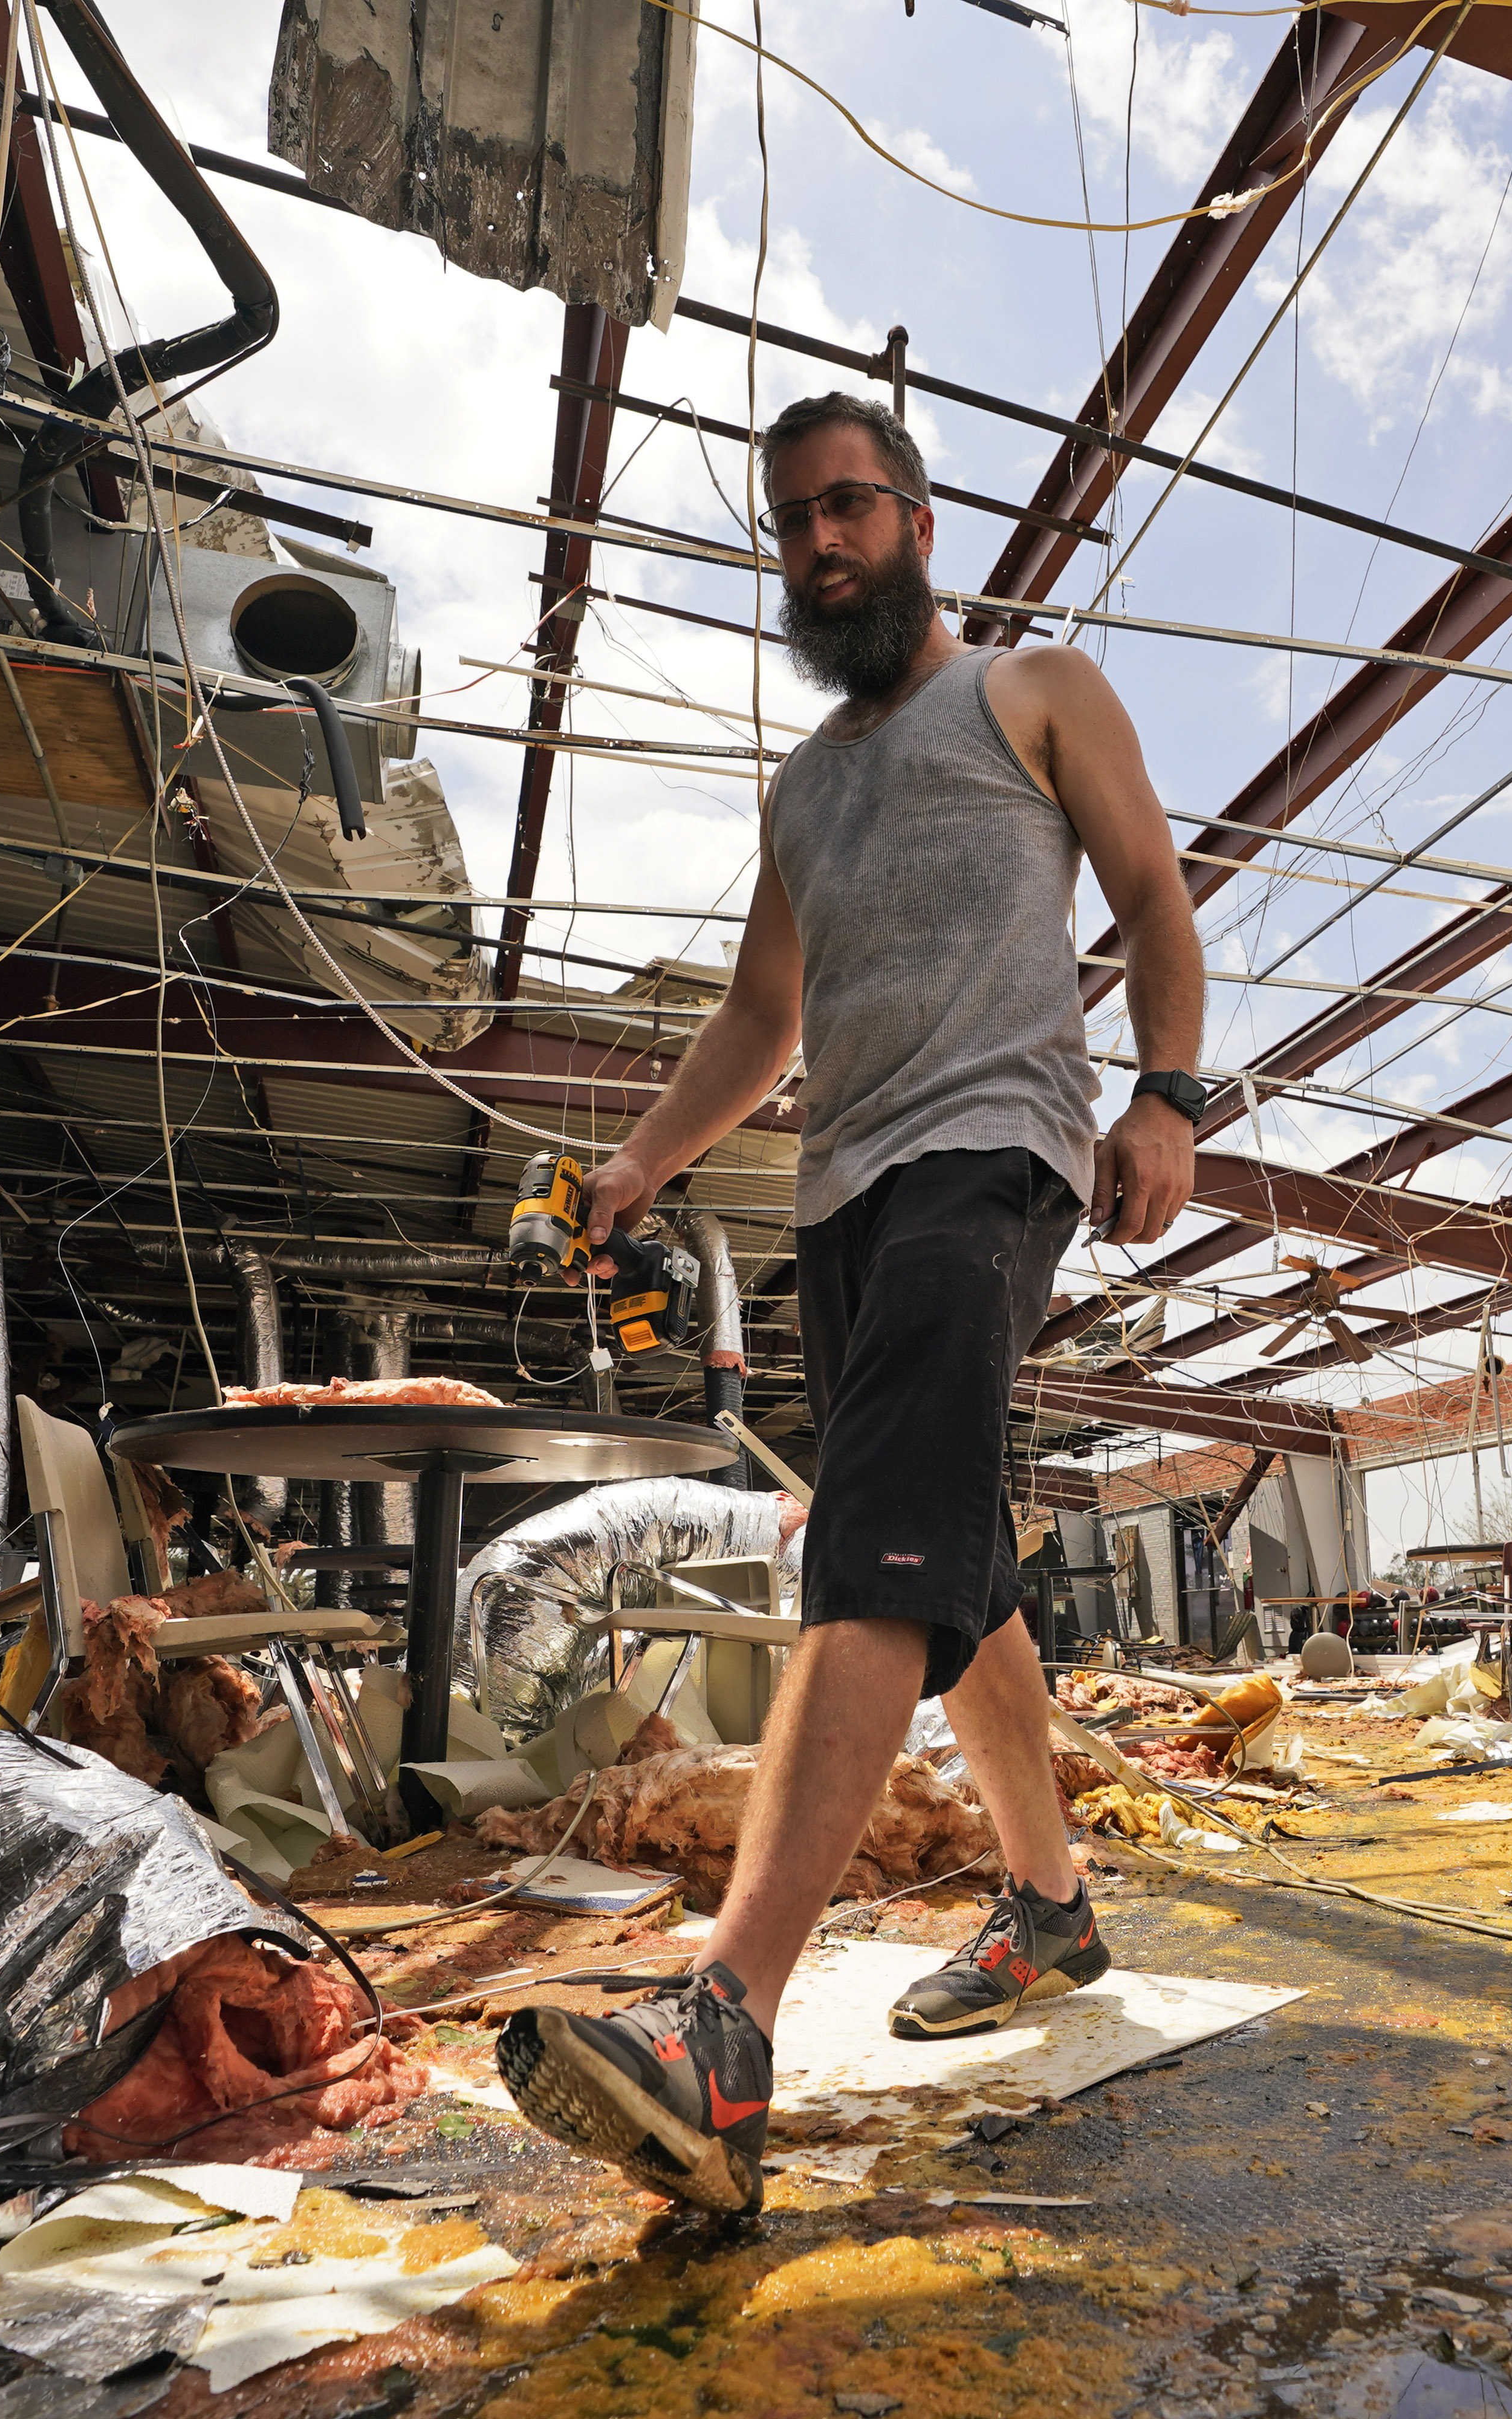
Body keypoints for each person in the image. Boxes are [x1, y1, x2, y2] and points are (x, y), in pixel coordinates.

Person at [495, 390, 1209, 2216]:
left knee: (873, 1554)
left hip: (993, 1155)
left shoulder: (1033, 694)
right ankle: (1050, 1908)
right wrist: (645, 1161)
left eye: (849, 508)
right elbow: (762, 1016)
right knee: (945, 1558)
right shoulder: (804, 788)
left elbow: (1150, 890)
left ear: (918, 518)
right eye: (793, 521)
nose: (821, 542)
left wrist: (1169, 1093)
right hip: (847, 1191)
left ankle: (724, 2029)